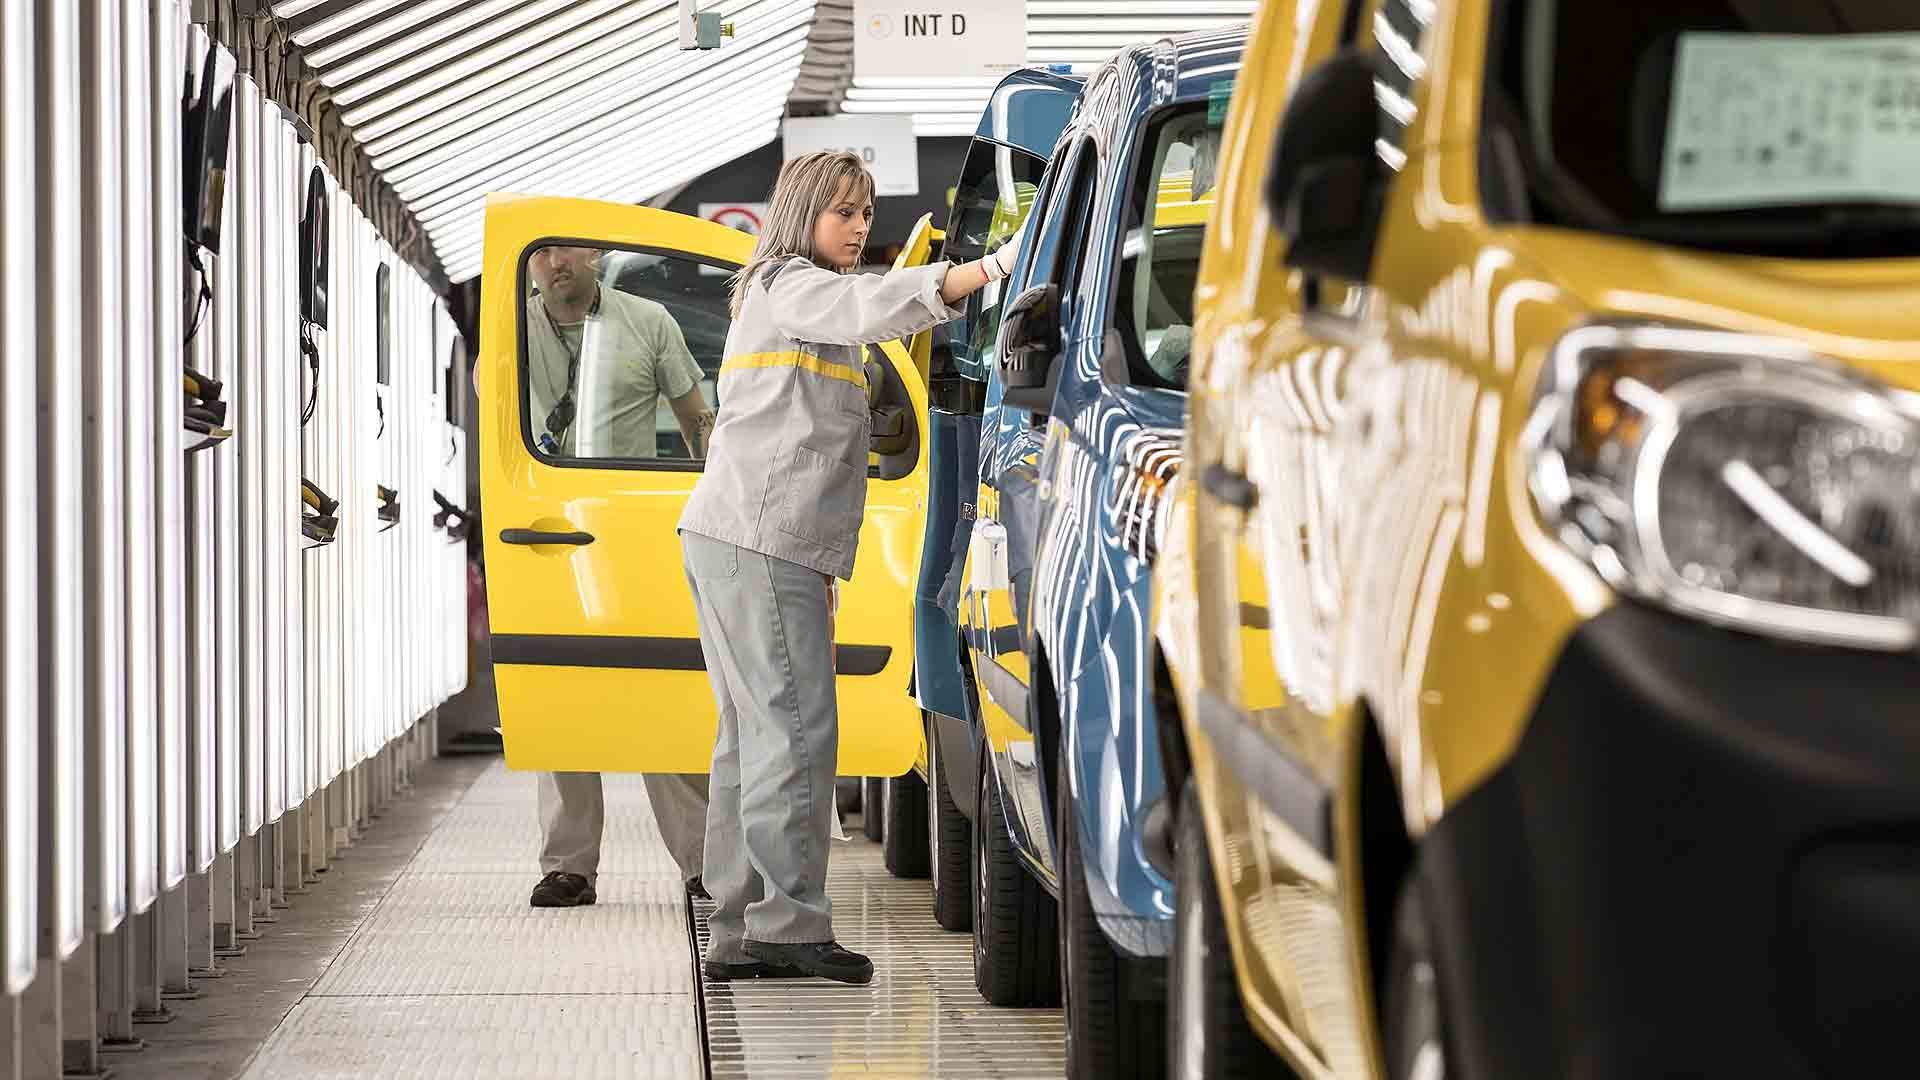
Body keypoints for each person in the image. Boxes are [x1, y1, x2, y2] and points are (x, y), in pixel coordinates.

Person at [676, 151, 1022, 984]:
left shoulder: (782, 293)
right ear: (803, 215)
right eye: (844, 212)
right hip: (761, 542)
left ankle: (736, 925)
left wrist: (823, 566)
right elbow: (872, 307)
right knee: (795, 736)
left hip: (747, 540)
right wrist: (988, 269)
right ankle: (788, 927)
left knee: (750, 740)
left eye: (866, 211)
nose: (861, 226)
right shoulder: (793, 285)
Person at [514, 245, 718, 907]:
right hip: (545, 533)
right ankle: (568, 865)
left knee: (658, 687)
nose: (552, 262)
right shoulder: (510, 328)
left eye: (565, 248)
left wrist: (716, 510)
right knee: (559, 696)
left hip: (630, 534)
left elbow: (697, 421)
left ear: (595, 254)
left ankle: (703, 860)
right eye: (540, 252)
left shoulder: (648, 321)